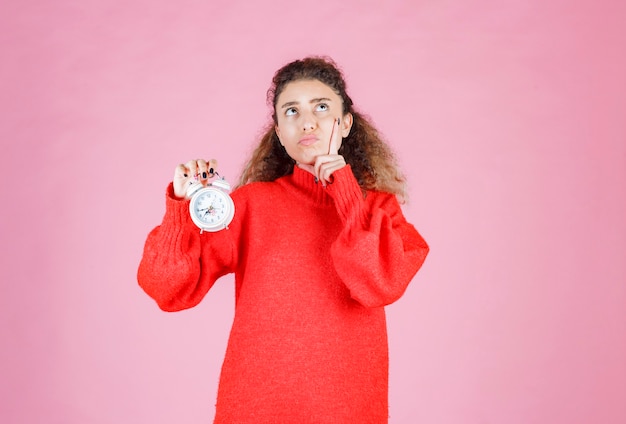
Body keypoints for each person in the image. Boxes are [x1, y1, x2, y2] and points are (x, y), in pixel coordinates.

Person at [138, 56, 429, 423]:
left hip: (349, 412)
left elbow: (379, 284)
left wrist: (347, 195)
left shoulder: (380, 210)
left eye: (321, 108)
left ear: (346, 124)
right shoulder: (249, 206)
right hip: (254, 411)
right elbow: (167, 288)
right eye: (291, 111)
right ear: (278, 131)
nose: (307, 121)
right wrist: (181, 209)